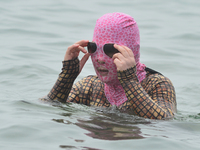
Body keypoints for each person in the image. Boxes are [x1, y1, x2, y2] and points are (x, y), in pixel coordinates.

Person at [41, 12, 177, 119]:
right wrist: (67, 77)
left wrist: (129, 81)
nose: (100, 59)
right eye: (93, 48)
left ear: (131, 51)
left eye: (110, 50)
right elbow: (49, 110)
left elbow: (163, 122)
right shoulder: (90, 87)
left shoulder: (156, 84)